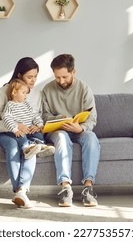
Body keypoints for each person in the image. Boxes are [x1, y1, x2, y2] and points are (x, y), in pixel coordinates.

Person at [0, 57, 50, 208]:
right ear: (19, 75)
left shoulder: (36, 94)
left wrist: (38, 126)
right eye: (29, 77)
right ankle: (19, 189)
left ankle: (21, 191)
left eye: (35, 76)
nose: (33, 81)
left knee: (31, 147)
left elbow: (37, 115)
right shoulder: (3, 93)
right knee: (13, 145)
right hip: (4, 132)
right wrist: (16, 126)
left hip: (28, 133)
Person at [42, 54, 101, 207]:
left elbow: (92, 118)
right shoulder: (47, 90)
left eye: (65, 77)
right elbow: (44, 116)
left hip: (78, 129)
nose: (61, 81)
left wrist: (80, 128)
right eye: (57, 77)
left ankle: (88, 187)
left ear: (73, 72)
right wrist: (57, 119)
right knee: (61, 137)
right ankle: (65, 188)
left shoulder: (84, 88)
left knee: (91, 137)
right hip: (58, 130)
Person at [1, 78, 55, 159]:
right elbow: (6, 118)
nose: (26, 96)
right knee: (22, 138)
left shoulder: (26, 104)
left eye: (26, 93)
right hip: (17, 131)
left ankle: (42, 148)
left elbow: (35, 115)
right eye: (23, 93)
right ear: (14, 92)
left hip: (29, 130)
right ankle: (27, 150)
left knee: (39, 135)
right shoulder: (10, 105)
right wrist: (16, 130)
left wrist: (39, 125)